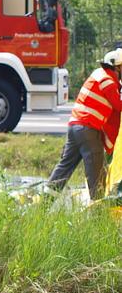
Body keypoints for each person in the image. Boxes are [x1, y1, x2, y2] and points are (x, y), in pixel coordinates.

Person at [48, 49, 122, 200]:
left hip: (75, 127)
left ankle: (44, 203)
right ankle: (98, 213)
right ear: (118, 67)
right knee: (97, 173)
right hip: (88, 129)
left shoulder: (99, 74)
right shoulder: (107, 80)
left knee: (64, 168)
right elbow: (118, 105)